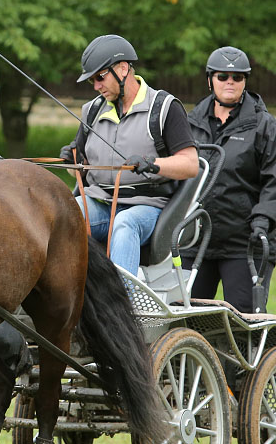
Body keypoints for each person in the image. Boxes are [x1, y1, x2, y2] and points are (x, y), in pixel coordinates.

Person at [60, 35, 199, 277]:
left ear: (123, 69)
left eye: (100, 77)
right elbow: (80, 173)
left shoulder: (164, 107)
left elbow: (190, 165)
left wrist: (152, 164)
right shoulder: (92, 111)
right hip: (100, 202)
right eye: (92, 80)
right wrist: (72, 163)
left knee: (125, 224)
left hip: (147, 206)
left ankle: (122, 306)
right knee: (62, 213)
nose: (96, 86)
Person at [183, 46, 276, 312]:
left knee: (243, 324)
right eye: (223, 76)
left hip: (244, 243)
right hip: (196, 240)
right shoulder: (189, 122)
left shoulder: (264, 126)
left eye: (238, 77)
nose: (230, 82)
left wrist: (263, 220)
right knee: (186, 319)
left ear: (245, 81)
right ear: (210, 80)